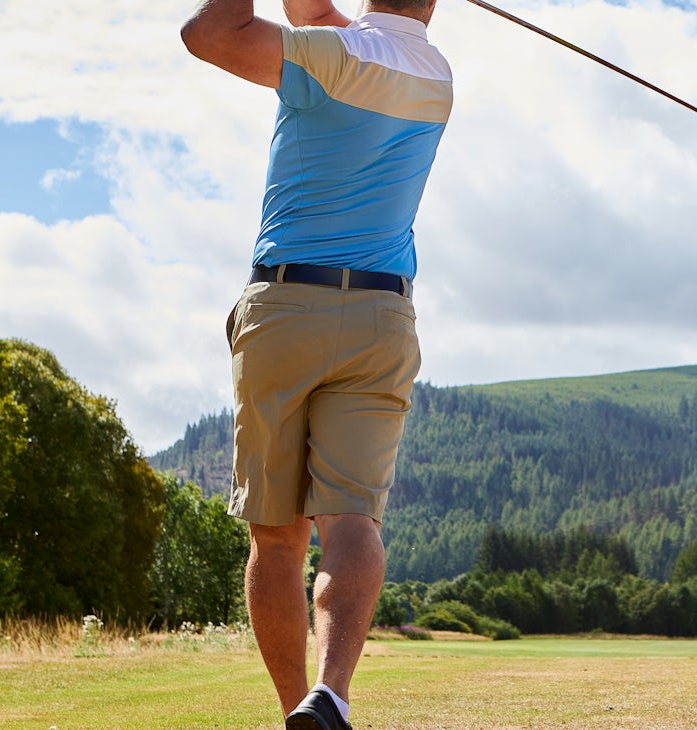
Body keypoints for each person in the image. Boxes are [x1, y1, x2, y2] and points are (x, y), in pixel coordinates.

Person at [180, 1, 449, 728]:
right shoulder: (433, 72)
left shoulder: (330, 58)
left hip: (288, 308)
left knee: (276, 534)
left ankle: (288, 710)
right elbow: (321, 17)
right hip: (382, 319)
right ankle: (328, 696)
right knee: (351, 518)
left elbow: (208, 34)